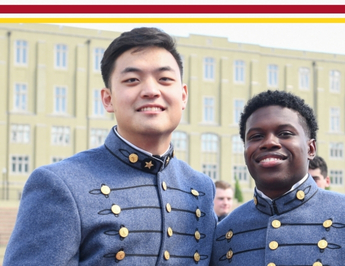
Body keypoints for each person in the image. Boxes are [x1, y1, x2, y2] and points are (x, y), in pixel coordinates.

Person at [4, 27, 217, 265]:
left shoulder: (200, 188)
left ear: (183, 96)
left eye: (164, 79)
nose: (150, 91)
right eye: (132, 80)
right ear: (108, 99)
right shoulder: (60, 183)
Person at [211, 90, 345, 265]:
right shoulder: (222, 232)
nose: (269, 142)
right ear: (245, 151)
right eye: (256, 136)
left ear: (311, 149)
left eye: (285, 133)